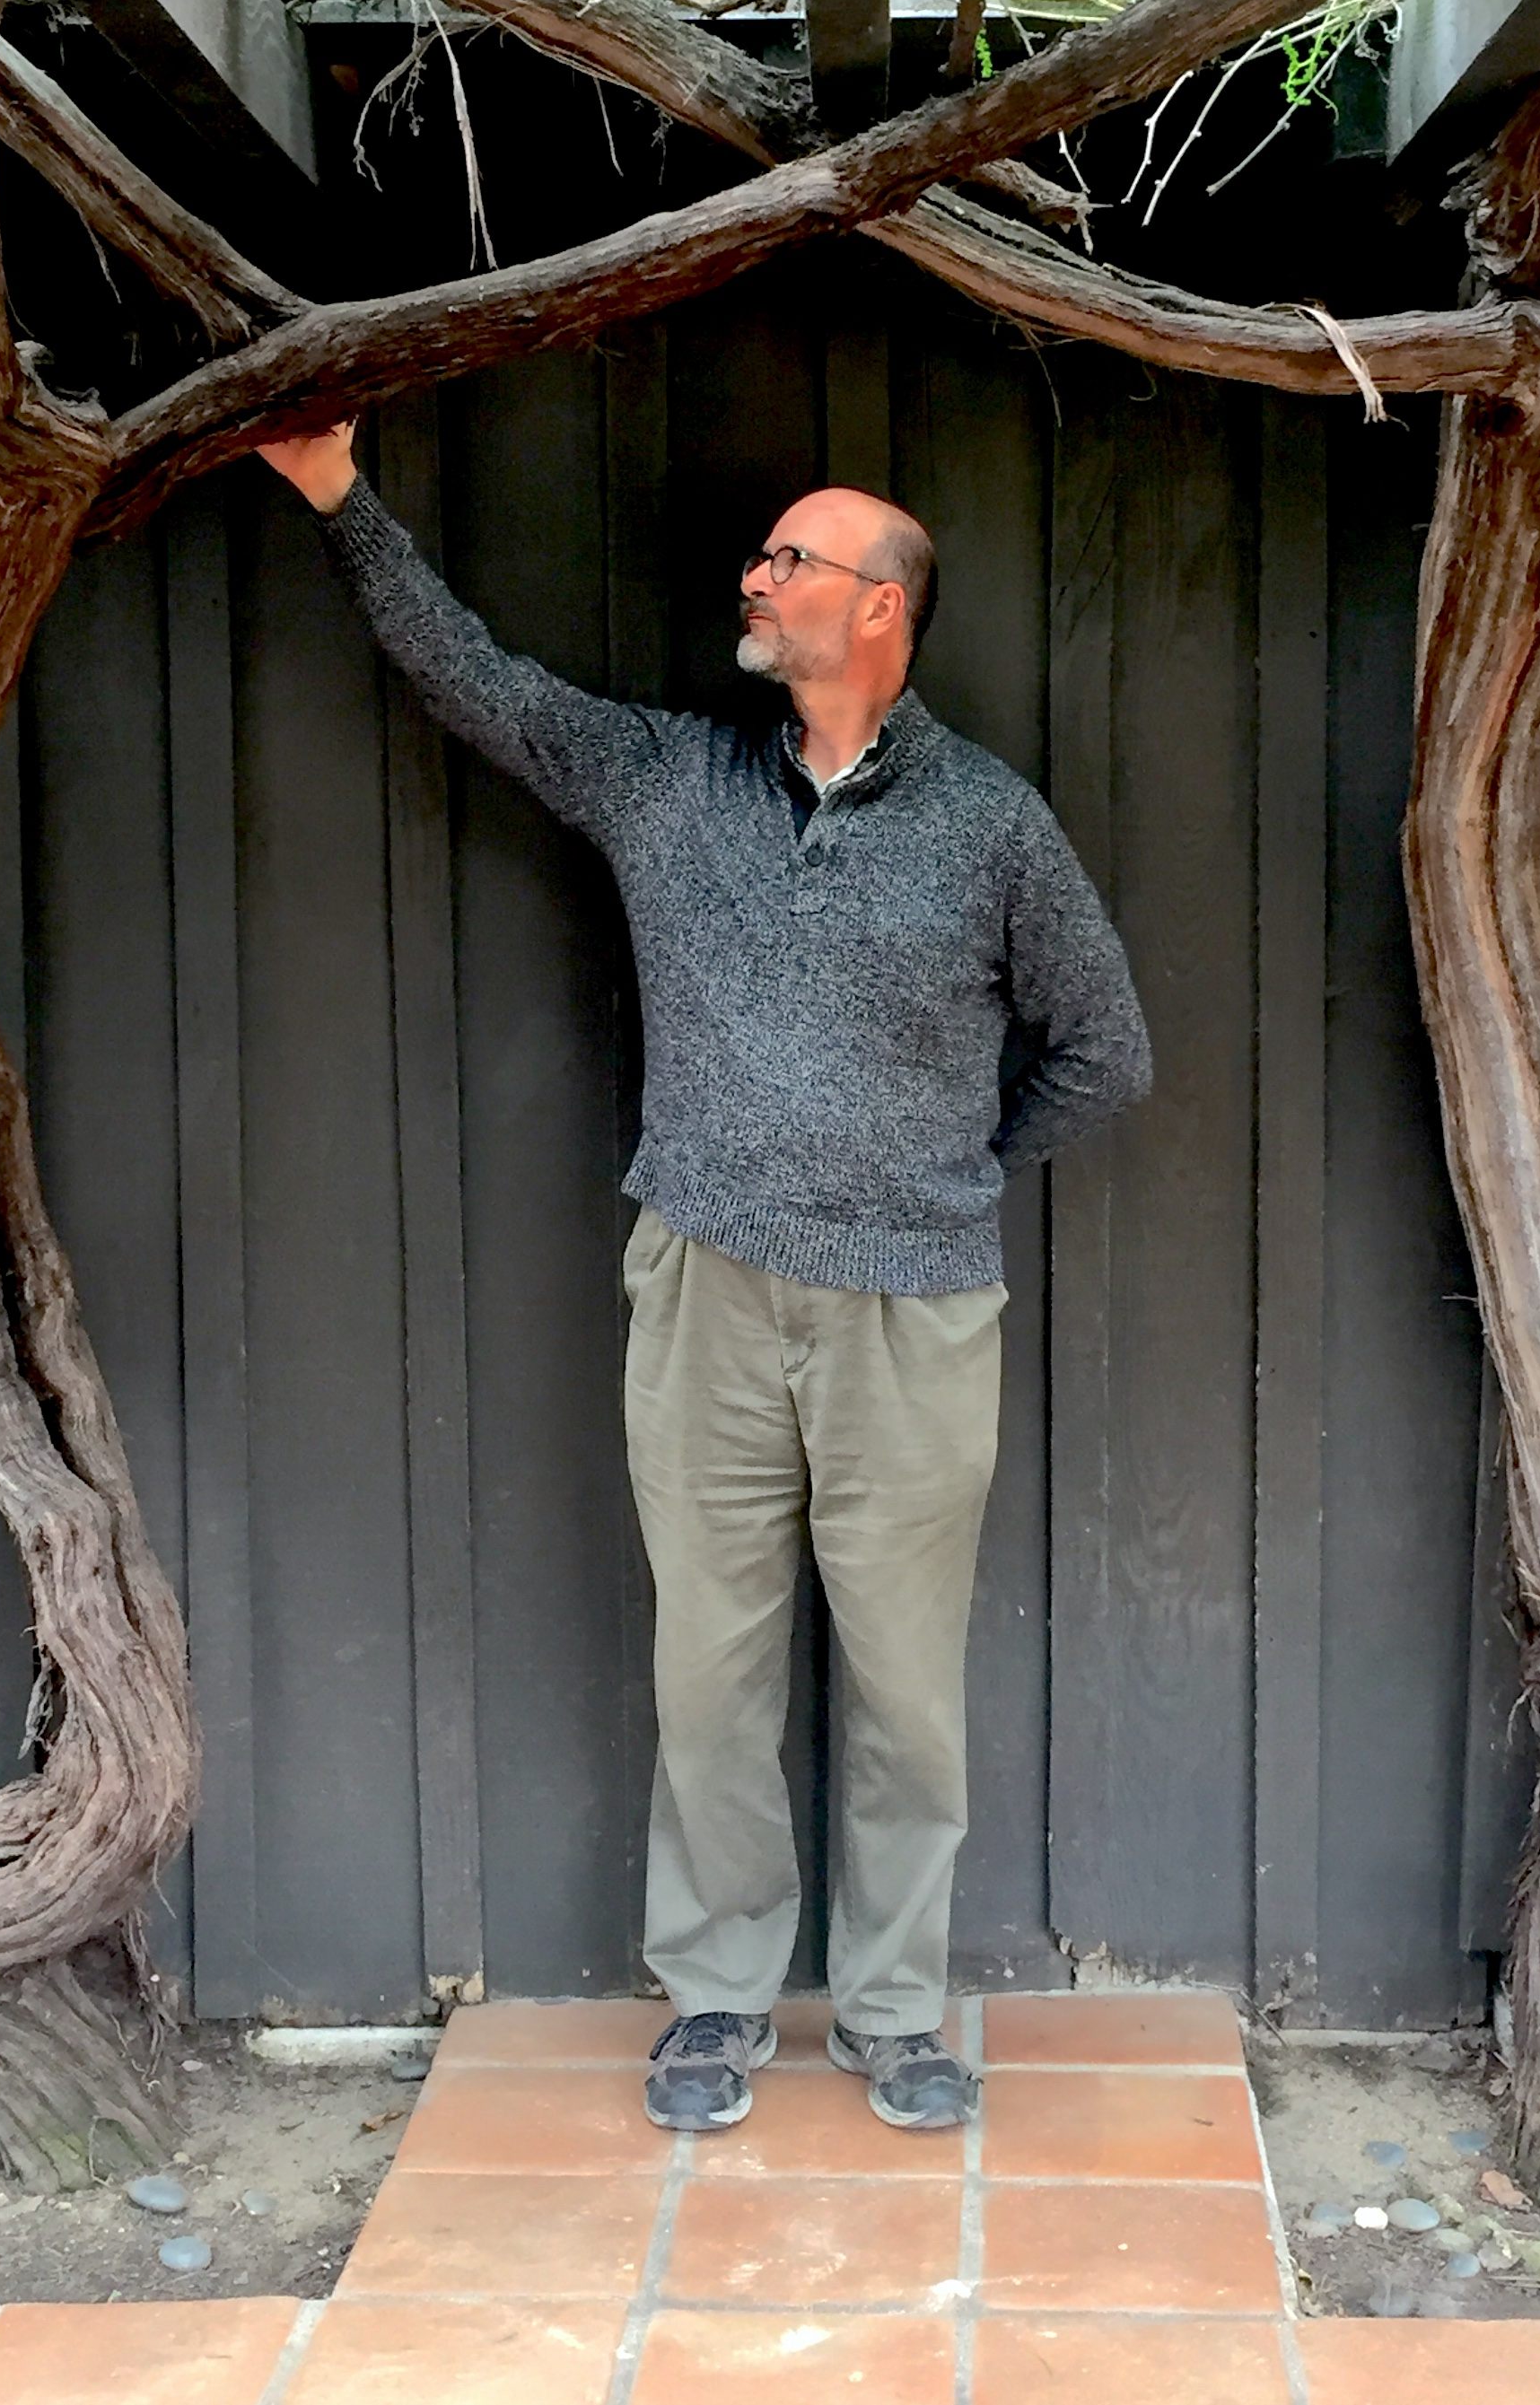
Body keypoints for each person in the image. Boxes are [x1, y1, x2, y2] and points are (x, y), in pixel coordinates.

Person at [258, 420, 1151, 2133]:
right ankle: (722, 1995)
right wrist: (339, 499)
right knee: (712, 1665)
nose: (756, 577)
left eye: (791, 559)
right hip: (704, 1296)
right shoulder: (662, 776)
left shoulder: (990, 825)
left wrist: (948, 1172)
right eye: (759, 555)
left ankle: (895, 2009)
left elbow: (1103, 1048)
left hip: (911, 1306)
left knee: (903, 1681)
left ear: (880, 606)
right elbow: (479, 681)